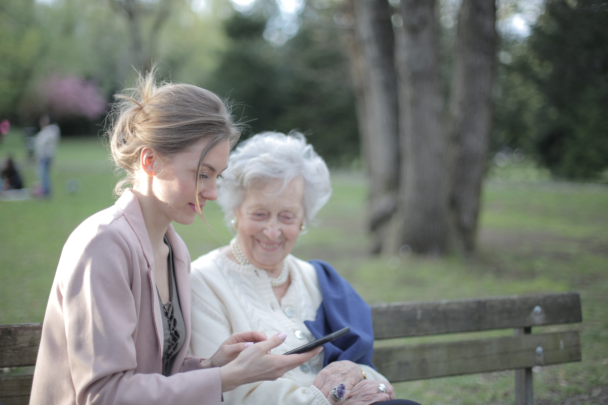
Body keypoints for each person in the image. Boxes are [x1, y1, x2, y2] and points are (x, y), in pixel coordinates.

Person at [30, 72, 320, 405]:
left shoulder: (173, 249)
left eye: (217, 176)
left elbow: (156, 373)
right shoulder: (102, 245)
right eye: (202, 174)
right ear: (150, 161)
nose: (211, 192)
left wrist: (211, 364)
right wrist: (224, 378)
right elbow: (104, 394)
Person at [189, 132, 420, 405]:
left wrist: (362, 376)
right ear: (236, 212)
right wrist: (324, 399)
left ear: (302, 220)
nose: (272, 231)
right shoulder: (203, 281)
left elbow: (364, 370)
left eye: (287, 216)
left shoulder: (318, 279)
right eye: (259, 214)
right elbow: (229, 391)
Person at [34, 113, 60, 197]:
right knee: (43, 174)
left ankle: (46, 192)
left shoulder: (50, 130)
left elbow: (41, 143)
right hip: (45, 156)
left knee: (43, 174)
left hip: (45, 156)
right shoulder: (48, 131)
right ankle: (45, 190)